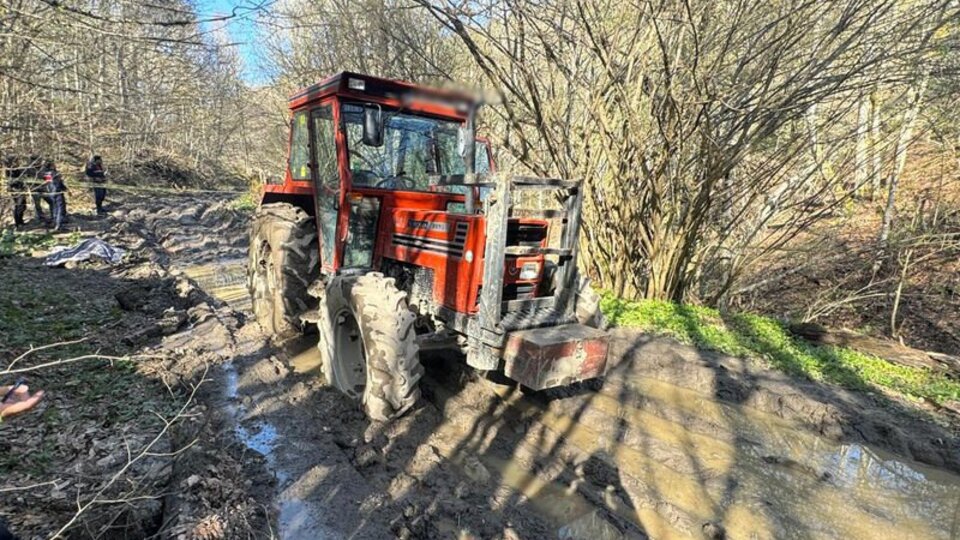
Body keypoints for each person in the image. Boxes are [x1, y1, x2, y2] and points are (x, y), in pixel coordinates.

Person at [41, 160, 67, 231]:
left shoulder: (45, 174)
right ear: (51, 166)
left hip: (50, 193)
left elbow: (48, 183)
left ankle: (55, 222)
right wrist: (64, 188)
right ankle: (59, 225)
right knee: (60, 209)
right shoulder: (55, 173)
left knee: (54, 208)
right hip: (57, 192)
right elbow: (58, 183)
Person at [3, 155, 26, 228]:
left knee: (23, 206)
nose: (17, 162)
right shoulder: (10, 170)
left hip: (20, 189)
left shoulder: (17, 168)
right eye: (16, 160)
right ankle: (18, 223)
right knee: (19, 206)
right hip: (16, 190)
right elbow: (11, 181)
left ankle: (20, 221)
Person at [23, 155, 46, 222]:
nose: (38, 162)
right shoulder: (28, 168)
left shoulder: (42, 167)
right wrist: (28, 186)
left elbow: (46, 176)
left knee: (49, 201)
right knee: (37, 203)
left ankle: (45, 215)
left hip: (43, 187)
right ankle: (39, 217)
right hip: (34, 188)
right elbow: (25, 178)